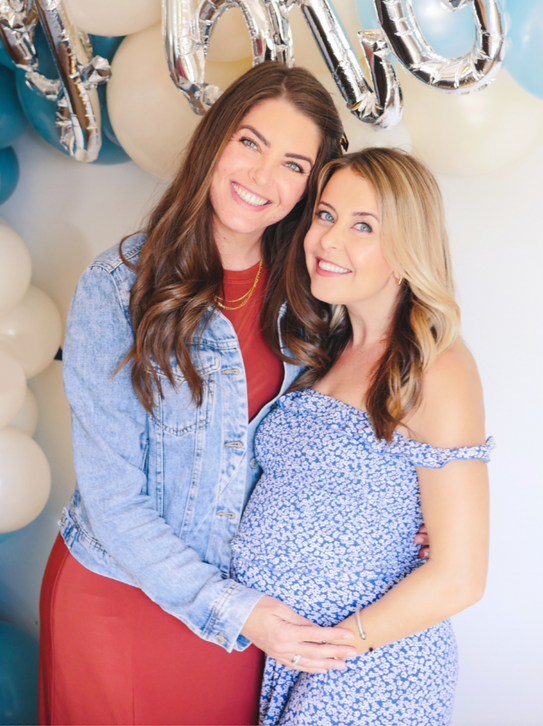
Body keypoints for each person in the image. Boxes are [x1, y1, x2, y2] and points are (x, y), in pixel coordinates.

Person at [38, 63, 360, 726]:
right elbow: (112, 500)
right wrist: (235, 610)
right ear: (215, 139)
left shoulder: (312, 303)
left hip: (246, 612)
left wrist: (401, 516)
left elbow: (329, 446)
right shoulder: (117, 286)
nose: (262, 177)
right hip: (121, 598)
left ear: (310, 186)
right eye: (250, 142)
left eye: (293, 164)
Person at [230, 148, 493, 725]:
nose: (328, 240)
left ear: (407, 248)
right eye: (325, 216)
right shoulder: (324, 352)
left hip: (367, 665)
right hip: (288, 656)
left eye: (363, 226)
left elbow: (460, 576)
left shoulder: (436, 368)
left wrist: (333, 647)